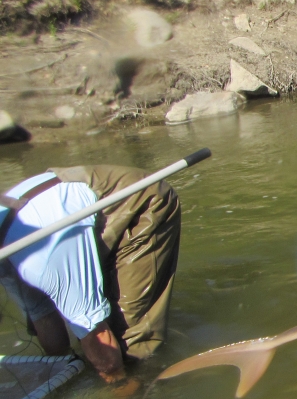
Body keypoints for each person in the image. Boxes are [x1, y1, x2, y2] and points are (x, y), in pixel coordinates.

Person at [0, 165, 181, 385]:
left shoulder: (41, 263)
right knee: (65, 310)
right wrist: (61, 376)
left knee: (127, 340)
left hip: (139, 203)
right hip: (70, 219)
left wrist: (115, 383)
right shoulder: (7, 261)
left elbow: (95, 331)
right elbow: (43, 316)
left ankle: (144, 386)